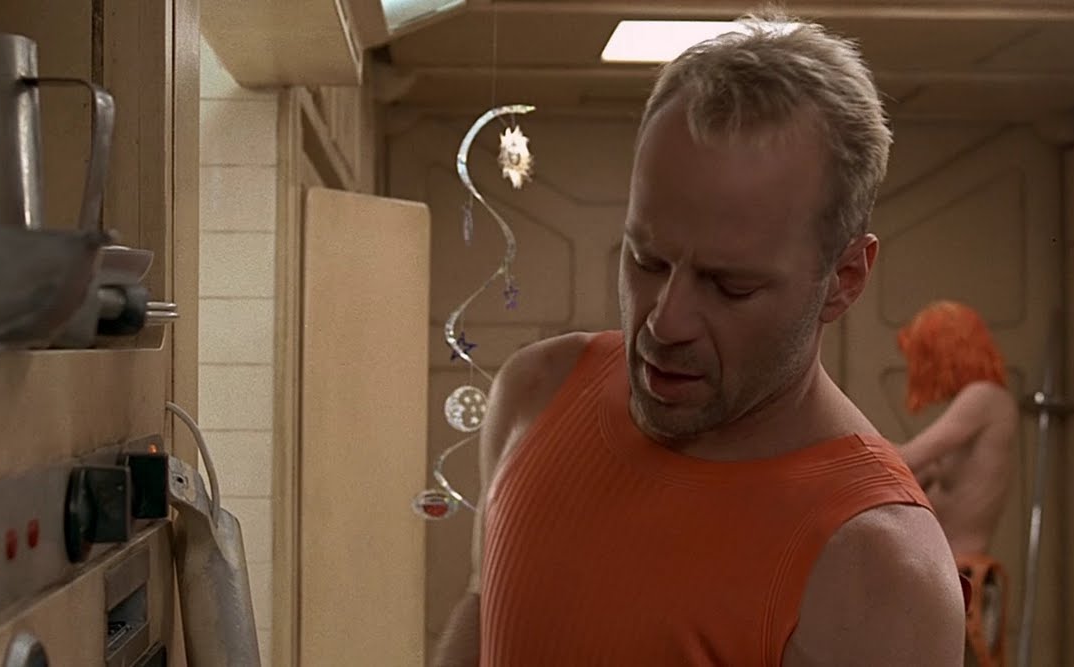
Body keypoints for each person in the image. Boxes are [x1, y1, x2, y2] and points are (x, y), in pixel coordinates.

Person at [431, 10, 966, 666]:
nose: (665, 322)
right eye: (647, 260)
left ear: (844, 278)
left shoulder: (879, 566)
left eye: (729, 285)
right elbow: (485, 615)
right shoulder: (534, 395)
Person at [894, 300, 1020, 667]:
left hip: (961, 577)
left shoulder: (983, 397)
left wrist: (841, 444)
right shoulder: (973, 405)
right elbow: (910, 476)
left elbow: (906, 459)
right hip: (946, 574)